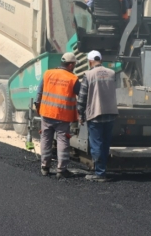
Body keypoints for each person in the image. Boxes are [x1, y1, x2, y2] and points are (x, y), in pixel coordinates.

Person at [35, 52, 80, 179]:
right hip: (63, 115)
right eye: (75, 64)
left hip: (47, 113)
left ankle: (45, 167)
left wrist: (38, 108)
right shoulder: (73, 78)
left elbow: (39, 92)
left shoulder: (48, 73)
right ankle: (61, 170)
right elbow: (82, 95)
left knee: (45, 139)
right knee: (62, 140)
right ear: (71, 65)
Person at [77, 50, 118, 182]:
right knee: (105, 144)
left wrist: (80, 113)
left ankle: (99, 173)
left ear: (90, 61)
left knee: (96, 144)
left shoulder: (88, 75)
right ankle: (102, 170)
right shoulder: (112, 73)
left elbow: (82, 97)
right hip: (110, 114)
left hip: (95, 114)